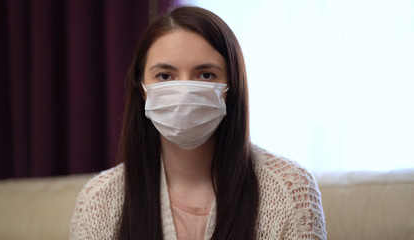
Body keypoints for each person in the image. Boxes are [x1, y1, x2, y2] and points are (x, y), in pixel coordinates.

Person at [70, 6, 326, 240]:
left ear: (231, 88)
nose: (184, 92)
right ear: (142, 88)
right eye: (165, 75)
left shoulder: (290, 190)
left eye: (205, 75)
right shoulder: (99, 201)